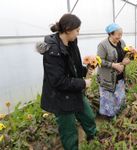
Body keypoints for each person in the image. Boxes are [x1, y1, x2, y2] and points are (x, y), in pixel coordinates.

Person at [36, 14, 96, 150]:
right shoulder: (52, 51)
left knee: (88, 116)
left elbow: (73, 65)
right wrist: (83, 83)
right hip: (60, 97)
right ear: (68, 30)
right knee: (68, 130)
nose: (78, 33)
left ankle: (94, 138)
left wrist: (87, 69)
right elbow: (58, 81)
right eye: (77, 30)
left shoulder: (71, 43)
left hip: (73, 90)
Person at [97, 23, 131, 119]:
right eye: (118, 34)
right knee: (108, 100)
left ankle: (118, 114)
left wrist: (126, 60)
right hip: (107, 78)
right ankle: (109, 119)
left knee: (119, 98)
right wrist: (113, 65)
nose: (120, 36)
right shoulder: (103, 45)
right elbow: (99, 61)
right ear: (110, 34)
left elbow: (125, 54)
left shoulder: (122, 42)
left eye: (121, 34)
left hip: (119, 76)